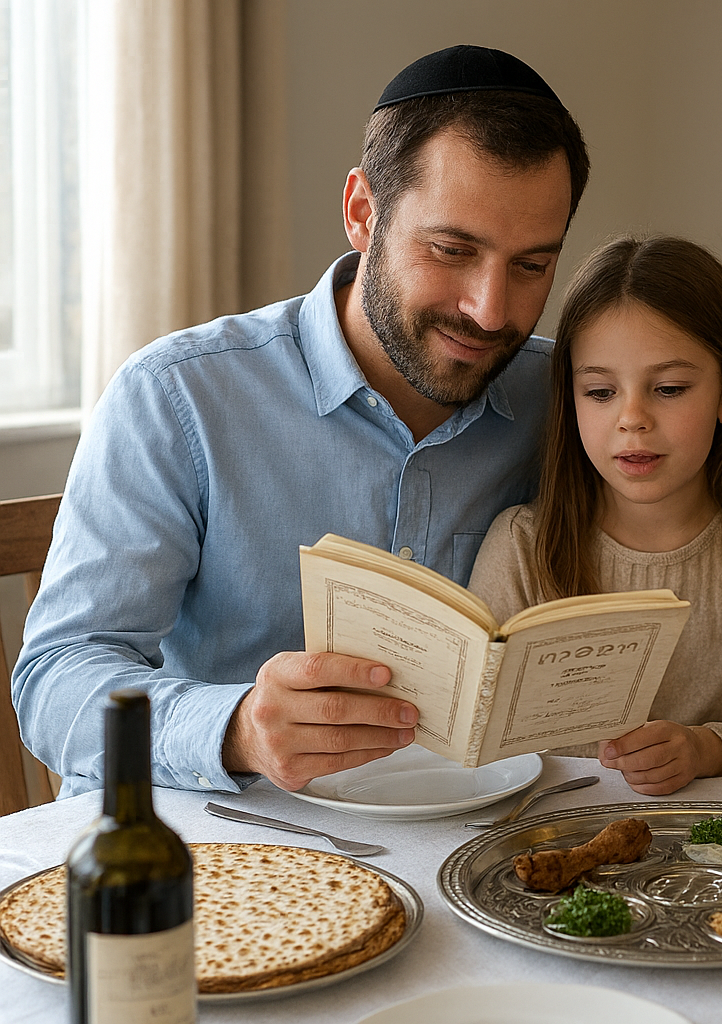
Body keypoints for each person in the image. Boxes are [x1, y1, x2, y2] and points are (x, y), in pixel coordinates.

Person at [14, 46, 591, 797]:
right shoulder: (178, 397)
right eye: (452, 250)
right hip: (222, 848)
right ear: (362, 214)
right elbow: (55, 682)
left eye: (532, 266)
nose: (490, 309)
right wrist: (238, 728)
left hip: (467, 844)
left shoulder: (575, 401)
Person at [470, 236, 722, 795]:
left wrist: (705, 748)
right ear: (572, 400)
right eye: (600, 391)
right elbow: (480, 734)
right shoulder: (522, 545)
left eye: (668, 388)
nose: (632, 418)